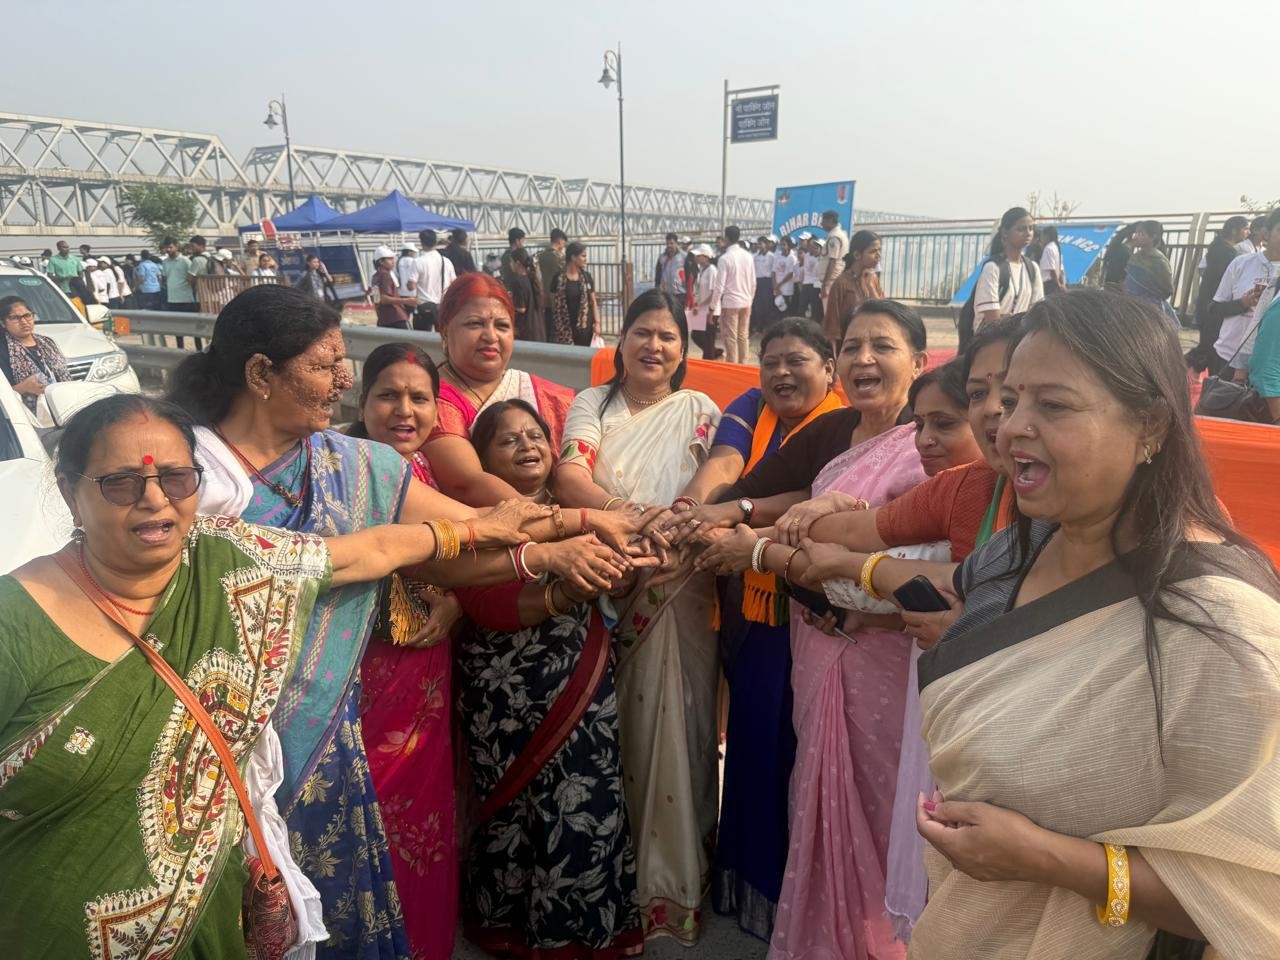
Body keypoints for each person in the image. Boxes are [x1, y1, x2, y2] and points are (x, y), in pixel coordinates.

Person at [0, 392, 540, 958]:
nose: (155, 499)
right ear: (70, 491)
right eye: (121, 484)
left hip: (210, 929)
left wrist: (495, 529)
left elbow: (369, 550)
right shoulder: (16, 622)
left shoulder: (224, 557)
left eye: (177, 479)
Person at [166, 285, 607, 959]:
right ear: (260, 373)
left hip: (330, 734)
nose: (343, 381)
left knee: (337, 903)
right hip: (228, 741)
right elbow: (428, 543)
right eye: (326, 365)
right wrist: (552, 544)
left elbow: (473, 531)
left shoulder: (355, 464)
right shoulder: (189, 478)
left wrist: (586, 524)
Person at [908, 290, 1280, 959]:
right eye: (1009, 400)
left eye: (1052, 405)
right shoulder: (1015, 551)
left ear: (1152, 425)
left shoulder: (1222, 625)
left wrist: (1048, 859)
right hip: (958, 930)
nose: (1009, 427)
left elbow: (1257, 893)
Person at [345, 345, 646, 960]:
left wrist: (607, 561)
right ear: (361, 399)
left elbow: (458, 555)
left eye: (420, 398)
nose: (405, 410)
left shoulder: (432, 475)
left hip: (454, 667)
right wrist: (555, 564)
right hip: (392, 665)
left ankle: (436, 934)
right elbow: (463, 562)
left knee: (439, 806)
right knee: (378, 808)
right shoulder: (353, 466)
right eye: (388, 396)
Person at [685, 299, 933, 960]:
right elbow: (786, 498)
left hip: (880, 654)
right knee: (819, 794)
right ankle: (827, 937)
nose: (863, 359)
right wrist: (725, 519)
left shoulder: (928, 446)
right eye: (852, 346)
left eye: (882, 346)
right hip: (814, 640)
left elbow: (906, 568)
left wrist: (759, 551)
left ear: (919, 361)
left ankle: (882, 941)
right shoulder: (838, 431)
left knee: (880, 800)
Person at [640, 318, 841, 941]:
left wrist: (731, 517)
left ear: (828, 368)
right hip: (750, 600)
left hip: (815, 600)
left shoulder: (843, 423)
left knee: (807, 749)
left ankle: (807, 895)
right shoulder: (751, 407)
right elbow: (725, 463)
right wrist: (690, 511)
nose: (781, 372)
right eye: (770, 360)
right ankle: (751, 882)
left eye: (796, 360)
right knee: (755, 737)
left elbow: (812, 494)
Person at [554, 289, 722, 944]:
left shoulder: (700, 410)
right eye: (642, 332)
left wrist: (669, 528)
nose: (654, 345)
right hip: (609, 577)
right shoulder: (593, 405)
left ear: (683, 350)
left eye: (668, 336)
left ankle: (675, 887)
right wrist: (627, 520)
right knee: (614, 728)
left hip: (680, 584)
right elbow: (571, 477)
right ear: (620, 342)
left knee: (683, 724)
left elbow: (713, 488)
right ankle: (617, 877)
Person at [454, 398, 649, 959]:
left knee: (587, 796)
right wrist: (562, 588)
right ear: (483, 458)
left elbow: (615, 585)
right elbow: (482, 601)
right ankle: (511, 928)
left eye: (536, 435)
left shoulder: (579, 510)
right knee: (515, 806)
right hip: (504, 689)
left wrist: (618, 572)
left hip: (581, 677)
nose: (527, 446)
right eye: (508, 439)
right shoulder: (477, 517)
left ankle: (584, 931)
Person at [422, 272, 576, 504]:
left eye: (502, 326)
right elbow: (468, 484)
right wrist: (565, 520)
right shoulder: (430, 399)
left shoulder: (543, 393)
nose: (491, 336)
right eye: (475, 324)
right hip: (478, 522)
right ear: (444, 330)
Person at [1210, 207, 1280, 381]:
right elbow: (1215, 309)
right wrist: (1243, 303)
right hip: (1228, 356)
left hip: (1269, 368)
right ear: (1266, 233)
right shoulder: (1241, 263)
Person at [965, 206, 1044, 345]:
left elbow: (1036, 312)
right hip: (990, 343)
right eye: (1021, 229)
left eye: (1031, 228)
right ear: (1005, 233)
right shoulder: (993, 268)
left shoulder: (1033, 268)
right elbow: (993, 321)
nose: (1028, 233)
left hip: (1019, 341)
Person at [1188, 216, 1249, 374]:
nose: (1247, 232)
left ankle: (1189, 371)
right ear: (1234, 230)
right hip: (1214, 304)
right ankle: (1186, 371)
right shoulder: (1226, 252)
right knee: (1210, 346)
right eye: (1245, 229)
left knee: (1207, 344)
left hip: (1208, 302)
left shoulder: (1218, 247)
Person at [0, 295, 70, 414]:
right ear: (3, 323)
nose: (24, 322)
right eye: (15, 318)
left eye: (27, 315)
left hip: (63, 405)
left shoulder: (47, 342)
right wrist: (23, 387)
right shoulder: (3, 350)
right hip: (25, 416)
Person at [824, 230, 885, 343]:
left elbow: (883, 312)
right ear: (857, 255)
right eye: (873, 251)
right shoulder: (841, 283)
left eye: (879, 251)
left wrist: (871, 287)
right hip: (849, 343)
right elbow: (832, 325)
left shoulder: (873, 278)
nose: (878, 256)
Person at [712, 225, 756, 364]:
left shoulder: (725, 258)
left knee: (730, 337)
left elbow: (719, 286)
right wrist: (750, 300)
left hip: (731, 302)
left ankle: (733, 366)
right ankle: (743, 365)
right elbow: (753, 282)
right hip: (746, 301)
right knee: (743, 336)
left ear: (726, 238)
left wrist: (713, 306)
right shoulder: (748, 256)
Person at [1124, 220, 1179, 326]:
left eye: (1141, 234)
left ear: (1153, 236)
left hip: (1151, 309)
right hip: (1131, 306)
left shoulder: (1159, 261)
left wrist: (1148, 297)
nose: (1136, 237)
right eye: (1136, 233)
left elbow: (1168, 289)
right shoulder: (1134, 258)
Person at [549, 241, 600, 346]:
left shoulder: (586, 277)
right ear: (573, 257)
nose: (586, 259)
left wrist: (597, 323)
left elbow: (593, 301)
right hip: (564, 329)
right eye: (583, 256)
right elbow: (553, 303)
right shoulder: (558, 278)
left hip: (584, 328)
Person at [412, 229, 457, 332]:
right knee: (442, 336)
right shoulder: (446, 261)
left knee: (421, 338)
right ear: (435, 242)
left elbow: (411, 285)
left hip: (423, 305)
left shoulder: (418, 261)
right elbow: (453, 282)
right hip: (442, 305)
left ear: (422, 242)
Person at [370, 244, 417, 329]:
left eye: (393, 258)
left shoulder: (375, 276)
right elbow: (383, 299)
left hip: (384, 318)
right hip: (396, 316)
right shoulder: (385, 275)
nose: (393, 261)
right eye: (390, 259)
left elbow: (377, 299)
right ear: (381, 262)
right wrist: (406, 300)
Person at [690, 243, 722, 359]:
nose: (696, 258)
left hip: (711, 310)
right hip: (702, 309)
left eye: (699, 256)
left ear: (706, 257)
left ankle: (710, 357)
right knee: (696, 335)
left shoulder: (712, 270)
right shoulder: (702, 270)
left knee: (708, 338)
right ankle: (713, 352)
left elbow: (714, 292)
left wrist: (702, 305)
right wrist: (697, 303)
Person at [507, 247, 544, 341]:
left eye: (511, 261)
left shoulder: (518, 282)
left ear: (517, 263)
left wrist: (509, 301)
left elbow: (521, 308)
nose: (510, 264)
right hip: (538, 328)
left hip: (526, 330)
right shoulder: (533, 278)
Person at [537, 228, 567, 335]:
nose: (564, 245)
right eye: (563, 242)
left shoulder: (541, 255)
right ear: (560, 241)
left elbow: (538, 276)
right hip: (559, 297)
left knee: (548, 326)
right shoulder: (561, 257)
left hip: (546, 296)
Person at [819, 211, 849, 319]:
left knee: (830, 314)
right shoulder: (840, 234)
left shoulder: (834, 237)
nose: (821, 224)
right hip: (835, 279)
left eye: (823, 221)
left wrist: (825, 284)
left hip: (831, 281)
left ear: (831, 220)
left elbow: (832, 261)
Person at [162, 237, 197, 313]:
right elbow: (165, 278)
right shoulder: (165, 262)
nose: (168, 250)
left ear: (177, 247)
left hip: (185, 299)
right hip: (171, 299)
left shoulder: (185, 261)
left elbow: (193, 278)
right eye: (166, 247)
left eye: (170, 247)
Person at [752, 235, 777, 331]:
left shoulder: (771, 256)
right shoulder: (754, 256)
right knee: (758, 305)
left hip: (767, 282)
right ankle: (759, 326)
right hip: (758, 281)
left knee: (767, 304)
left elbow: (774, 271)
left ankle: (768, 326)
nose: (759, 245)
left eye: (761, 243)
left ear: (766, 244)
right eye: (758, 244)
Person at [656, 232, 688, 302]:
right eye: (667, 243)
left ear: (676, 243)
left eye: (671, 243)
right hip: (666, 294)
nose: (669, 245)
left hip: (680, 293)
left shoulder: (684, 256)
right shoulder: (662, 258)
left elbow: (689, 275)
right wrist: (657, 290)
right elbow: (658, 276)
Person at [772, 236, 799, 316]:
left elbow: (791, 274)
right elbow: (773, 272)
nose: (782, 246)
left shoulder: (792, 258)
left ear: (789, 245)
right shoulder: (777, 256)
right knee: (777, 310)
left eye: (784, 245)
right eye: (781, 245)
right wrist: (775, 286)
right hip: (777, 288)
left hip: (787, 289)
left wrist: (779, 285)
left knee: (786, 311)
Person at [1038, 224, 1065, 295]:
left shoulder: (1048, 248)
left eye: (1042, 236)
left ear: (1047, 236)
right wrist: (1062, 284)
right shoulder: (1056, 248)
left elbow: (1052, 270)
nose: (1041, 239)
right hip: (1055, 284)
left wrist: (1058, 284)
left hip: (1049, 284)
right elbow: (1061, 271)